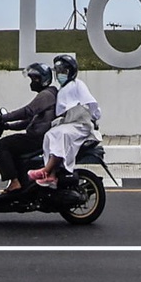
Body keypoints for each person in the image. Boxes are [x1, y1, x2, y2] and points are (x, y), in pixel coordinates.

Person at [27, 53, 101, 188]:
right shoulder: (62, 89)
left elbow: (91, 103)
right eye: (59, 71)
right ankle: (52, 175)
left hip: (81, 125)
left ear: (71, 72)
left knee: (59, 134)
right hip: (70, 125)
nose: (60, 74)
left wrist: (94, 117)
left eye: (63, 71)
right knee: (50, 134)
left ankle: (46, 170)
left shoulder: (77, 85)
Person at [0, 62, 57, 193]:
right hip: (38, 137)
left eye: (35, 79)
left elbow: (27, 112)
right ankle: (22, 182)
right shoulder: (48, 93)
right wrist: (8, 126)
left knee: (2, 145)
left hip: (37, 139)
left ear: (43, 80)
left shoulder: (46, 95)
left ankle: (15, 182)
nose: (32, 82)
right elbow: (28, 121)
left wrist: (3, 117)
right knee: (12, 148)